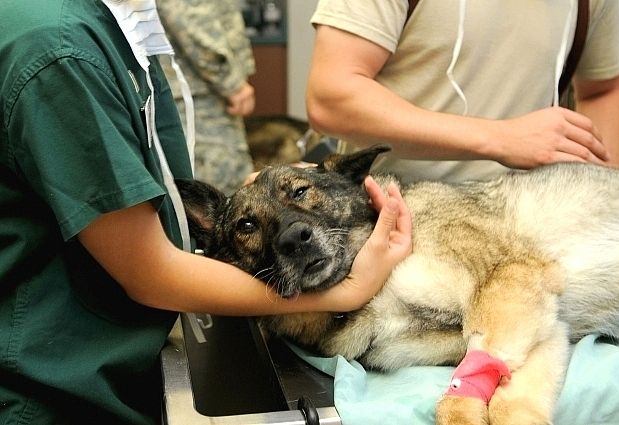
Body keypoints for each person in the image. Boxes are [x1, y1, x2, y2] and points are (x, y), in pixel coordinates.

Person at [0, 1, 412, 424]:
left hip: (99, 365)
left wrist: (273, 194)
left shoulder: (117, 23)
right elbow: (149, 273)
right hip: (51, 391)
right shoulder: (60, 53)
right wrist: (350, 290)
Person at [306, 0, 619, 183]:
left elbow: (604, 89)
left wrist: (596, 191)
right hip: (393, 223)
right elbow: (332, 97)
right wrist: (500, 138)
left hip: (530, 224)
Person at [157, 0, 256, 195]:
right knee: (217, 194)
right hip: (197, 96)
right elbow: (188, 16)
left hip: (199, 91)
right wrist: (231, 82)